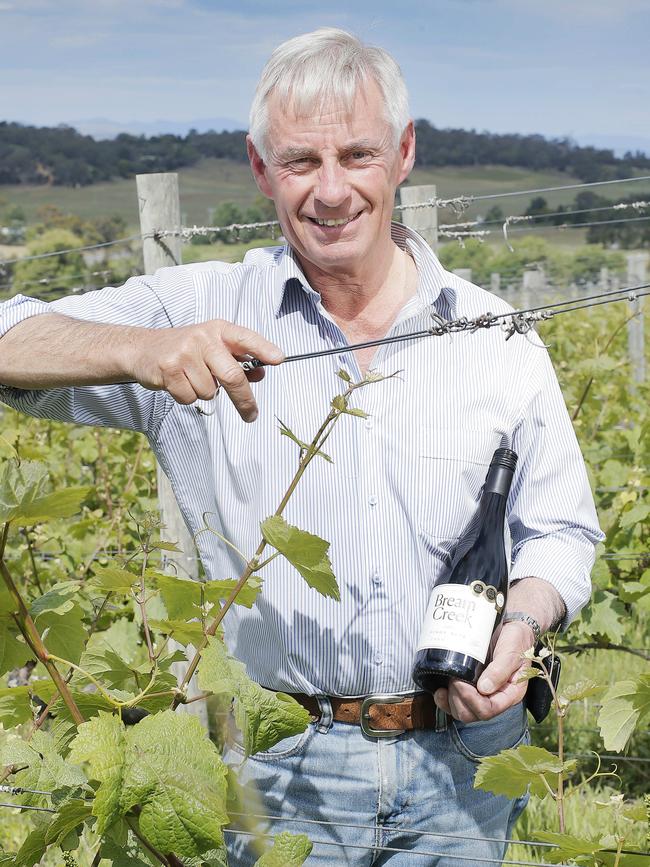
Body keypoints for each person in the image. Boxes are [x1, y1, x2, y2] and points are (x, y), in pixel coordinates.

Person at [0, 28, 602, 866]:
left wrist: (526, 622)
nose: (330, 191)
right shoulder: (202, 309)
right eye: (299, 162)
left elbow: (563, 532)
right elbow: (6, 333)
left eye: (356, 155)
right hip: (278, 767)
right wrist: (138, 351)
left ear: (403, 152)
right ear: (258, 167)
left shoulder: (495, 336)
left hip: (466, 764)